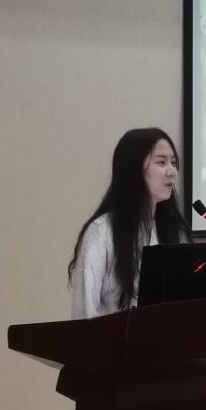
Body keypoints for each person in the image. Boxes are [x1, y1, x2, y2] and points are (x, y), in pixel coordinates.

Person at [68, 127, 190, 319]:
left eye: (173, 163)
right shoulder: (101, 231)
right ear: (134, 168)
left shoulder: (174, 231)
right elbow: (84, 313)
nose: (172, 171)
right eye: (161, 162)